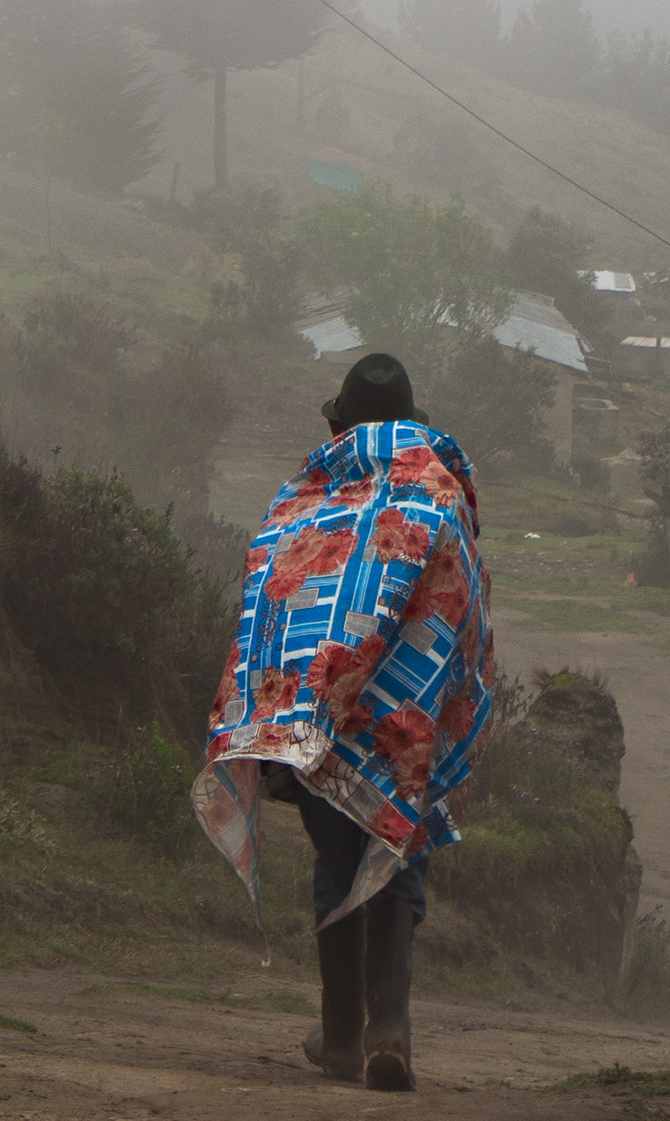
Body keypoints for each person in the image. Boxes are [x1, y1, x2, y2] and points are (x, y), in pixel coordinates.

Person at [191, 350, 495, 1092]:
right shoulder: (440, 494)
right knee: (399, 852)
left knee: (338, 861)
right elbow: (465, 609)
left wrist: (282, 708)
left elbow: (271, 598)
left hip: (328, 721)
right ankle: (390, 1030)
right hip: (410, 720)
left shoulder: (305, 500)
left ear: (340, 425)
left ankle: (339, 1038)